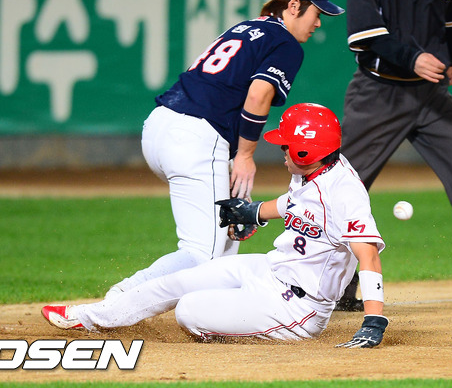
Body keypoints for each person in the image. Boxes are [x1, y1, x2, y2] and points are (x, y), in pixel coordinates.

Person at [42, 103, 388, 347]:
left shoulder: (344, 192)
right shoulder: (316, 168)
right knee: (179, 281)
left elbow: (368, 256)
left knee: (189, 311)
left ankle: (246, 328)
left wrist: (373, 320)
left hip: (298, 306)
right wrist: (254, 212)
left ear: (304, 153)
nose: (282, 149)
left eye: (286, 145)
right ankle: (90, 317)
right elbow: (295, 203)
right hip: (270, 269)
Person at [102, 0, 345, 301]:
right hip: (195, 137)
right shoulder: (285, 42)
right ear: (293, 6)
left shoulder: (246, 28)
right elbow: (258, 95)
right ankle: (122, 298)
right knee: (202, 253)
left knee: (224, 241)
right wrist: (244, 156)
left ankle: (206, 313)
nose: (318, 23)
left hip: (160, 126)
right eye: (317, 12)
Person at [338, 0, 452, 312]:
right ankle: (332, 290)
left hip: (431, 97)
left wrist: (450, 56)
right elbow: (363, 30)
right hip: (379, 93)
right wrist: (413, 57)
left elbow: (451, 15)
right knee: (342, 189)